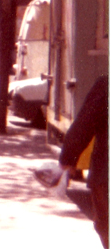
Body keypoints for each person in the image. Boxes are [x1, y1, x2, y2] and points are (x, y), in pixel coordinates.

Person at [59, 74, 108, 248]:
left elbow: (84, 124)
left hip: (106, 175)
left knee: (106, 226)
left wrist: (67, 160)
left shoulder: (106, 85)